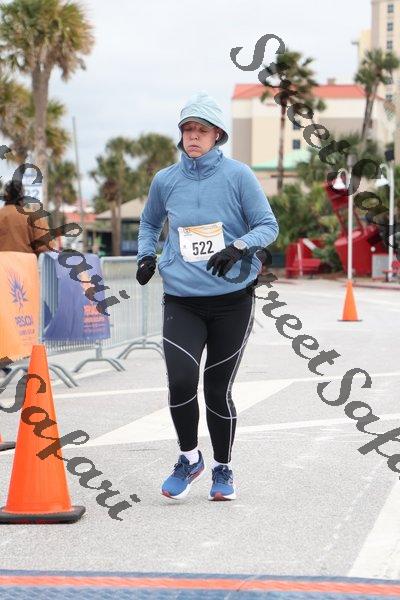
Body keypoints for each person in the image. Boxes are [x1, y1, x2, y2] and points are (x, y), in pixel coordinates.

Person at [136, 90, 279, 501]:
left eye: (201, 129)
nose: (193, 136)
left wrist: (238, 247)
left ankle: (222, 467)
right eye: (187, 129)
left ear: (217, 135)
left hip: (232, 299)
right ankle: (189, 459)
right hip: (182, 298)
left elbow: (267, 225)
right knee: (181, 381)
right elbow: (149, 224)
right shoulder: (165, 180)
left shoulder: (239, 175)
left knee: (217, 388)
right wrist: (146, 256)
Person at [0, 179, 56, 255]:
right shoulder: (34, 215)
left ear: (6, 196)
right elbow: (46, 246)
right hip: (28, 261)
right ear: (23, 196)